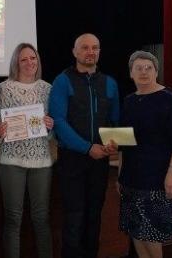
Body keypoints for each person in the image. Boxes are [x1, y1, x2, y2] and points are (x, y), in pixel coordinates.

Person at [49, 33, 120, 258]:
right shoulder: (62, 81)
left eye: (95, 48)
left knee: (94, 216)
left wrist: (114, 144)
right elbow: (58, 122)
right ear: (75, 52)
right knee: (74, 217)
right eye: (85, 47)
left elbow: (115, 121)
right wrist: (88, 148)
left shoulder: (110, 83)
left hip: (100, 162)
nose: (90, 52)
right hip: (73, 161)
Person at [117, 51, 172, 258]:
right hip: (131, 178)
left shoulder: (168, 98)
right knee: (136, 230)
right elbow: (124, 142)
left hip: (156, 177)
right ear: (131, 73)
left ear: (156, 72)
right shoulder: (129, 101)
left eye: (149, 68)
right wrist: (121, 175)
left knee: (151, 233)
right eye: (138, 68)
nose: (144, 72)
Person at [0, 43, 54, 258]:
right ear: (16, 63)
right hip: (11, 161)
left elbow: (51, 133)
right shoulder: (4, 89)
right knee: (13, 219)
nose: (30, 63)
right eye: (24, 59)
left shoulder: (48, 89)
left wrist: (49, 126)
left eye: (33, 58)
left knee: (41, 218)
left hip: (41, 162)